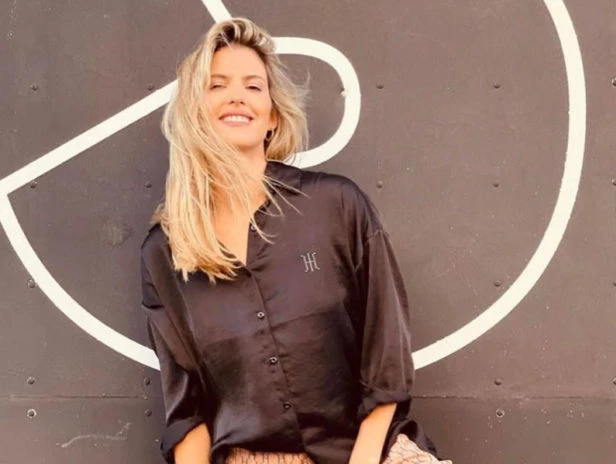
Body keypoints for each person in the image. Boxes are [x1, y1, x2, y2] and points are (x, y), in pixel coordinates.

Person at [140, 17, 452, 464]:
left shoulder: (336, 205)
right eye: (217, 85)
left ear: (272, 115)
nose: (237, 96)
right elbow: (187, 413)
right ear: (194, 111)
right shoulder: (165, 253)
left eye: (253, 86)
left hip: (369, 450)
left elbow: (386, 361)